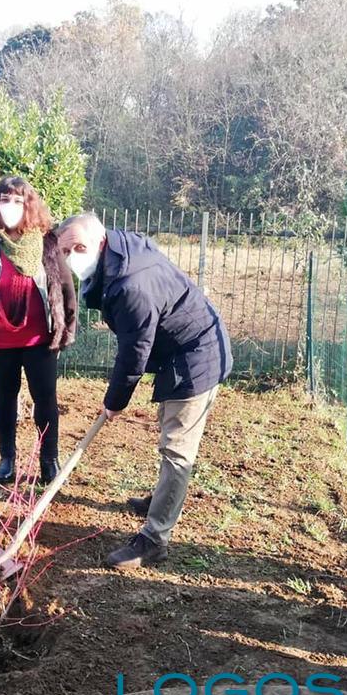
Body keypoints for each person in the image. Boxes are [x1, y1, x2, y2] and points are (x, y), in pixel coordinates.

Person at [56, 212, 233, 568]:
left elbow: (133, 353)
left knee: (176, 449)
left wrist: (114, 402)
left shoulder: (132, 286)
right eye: (65, 250)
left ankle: (154, 539)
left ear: (100, 242)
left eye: (79, 248)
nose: (72, 255)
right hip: (179, 349)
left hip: (197, 356)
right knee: (170, 434)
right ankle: (161, 500)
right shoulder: (119, 252)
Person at [0, 176, 77, 485]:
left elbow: (64, 287)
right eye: (4, 200)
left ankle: (49, 460)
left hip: (40, 339)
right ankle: (7, 457)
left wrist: (67, 329)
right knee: (5, 397)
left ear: (29, 206)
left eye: (18, 201)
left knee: (45, 399)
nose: (10, 206)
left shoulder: (47, 241)